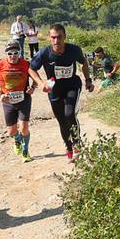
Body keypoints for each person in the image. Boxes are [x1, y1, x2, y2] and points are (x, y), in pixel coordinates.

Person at [28, 23, 93, 163]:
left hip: (72, 86)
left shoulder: (74, 50)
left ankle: (77, 143)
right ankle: (68, 147)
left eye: (59, 37)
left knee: (69, 114)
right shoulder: (44, 53)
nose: (56, 41)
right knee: (62, 121)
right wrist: (40, 83)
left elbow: (84, 63)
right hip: (55, 91)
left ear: (65, 37)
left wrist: (88, 80)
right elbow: (31, 69)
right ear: (49, 38)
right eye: (53, 38)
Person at [0, 39, 36, 162]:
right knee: (11, 131)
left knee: (24, 128)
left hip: (24, 100)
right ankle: (17, 140)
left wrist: (32, 88)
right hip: (8, 101)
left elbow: (36, 78)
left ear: (20, 53)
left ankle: (25, 151)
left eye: (15, 53)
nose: (13, 56)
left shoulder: (25, 64)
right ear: (6, 54)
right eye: (9, 53)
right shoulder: (1, 64)